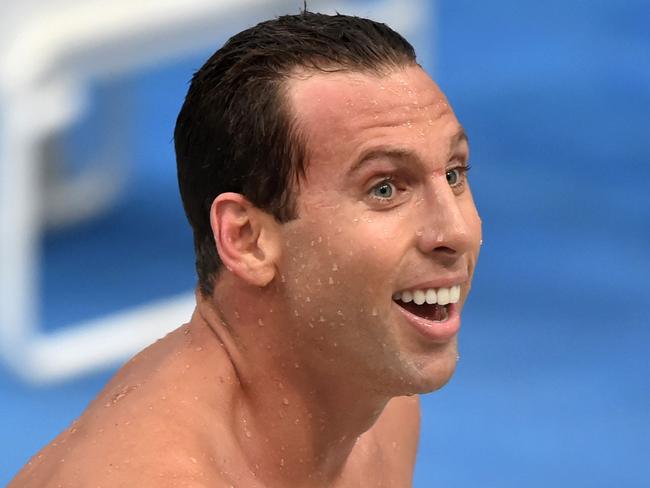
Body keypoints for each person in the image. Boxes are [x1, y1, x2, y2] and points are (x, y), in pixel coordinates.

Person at [11, 10, 481, 488]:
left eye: (453, 174)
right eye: (384, 189)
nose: (455, 231)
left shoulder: (374, 391)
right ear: (246, 240)